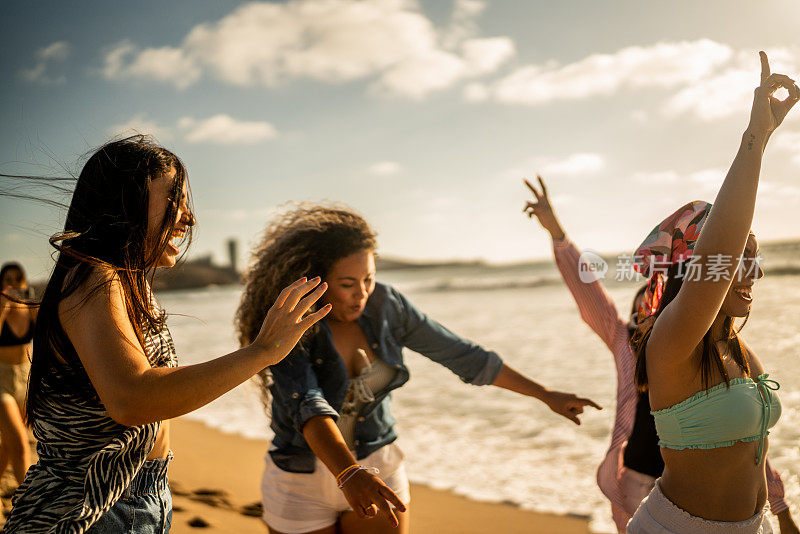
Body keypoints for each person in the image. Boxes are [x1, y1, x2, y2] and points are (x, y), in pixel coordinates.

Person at [2, 135, 331, 533]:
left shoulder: (126, 282)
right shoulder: (94, 277)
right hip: (93, 508)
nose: (188, 219)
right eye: (175, 203)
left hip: (137, 495)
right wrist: (261, 352)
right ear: (124, 203)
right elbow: (132, 398)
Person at [235, 203, 602, 534]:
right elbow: (307, 404)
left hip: (378, 465)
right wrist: (348, 473)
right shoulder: (286, 321)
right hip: (302, 478)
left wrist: (543, 394)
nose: (362, 292)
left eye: (368, 279)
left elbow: (462, 356)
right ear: (315, 279)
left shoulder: (387, 306)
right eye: (347, 284)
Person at [523, 176, 798, 533]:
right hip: (643, 482)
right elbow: (592, 296)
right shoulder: (633, 345)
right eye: (645, 310)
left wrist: (778, 507)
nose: (650, 317)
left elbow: (747, 444)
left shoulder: (724, 350)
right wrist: (558, 234)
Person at [626, 52, 799, 533]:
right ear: (702, 265)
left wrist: (780, 515)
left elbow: (752, 454)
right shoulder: (672, 343)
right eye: (743, 256)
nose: (754, 273)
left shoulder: (737, 348)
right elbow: (717, 253)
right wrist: (757, 139)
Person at [0, 262, 37, 486]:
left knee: (7, 445)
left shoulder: (30, 308)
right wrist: (3, 308)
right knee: (20, 443)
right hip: (1, 381)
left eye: (17, 279)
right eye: (8, 280)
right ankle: (27, 504)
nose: (13, 284)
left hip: (26, 380)